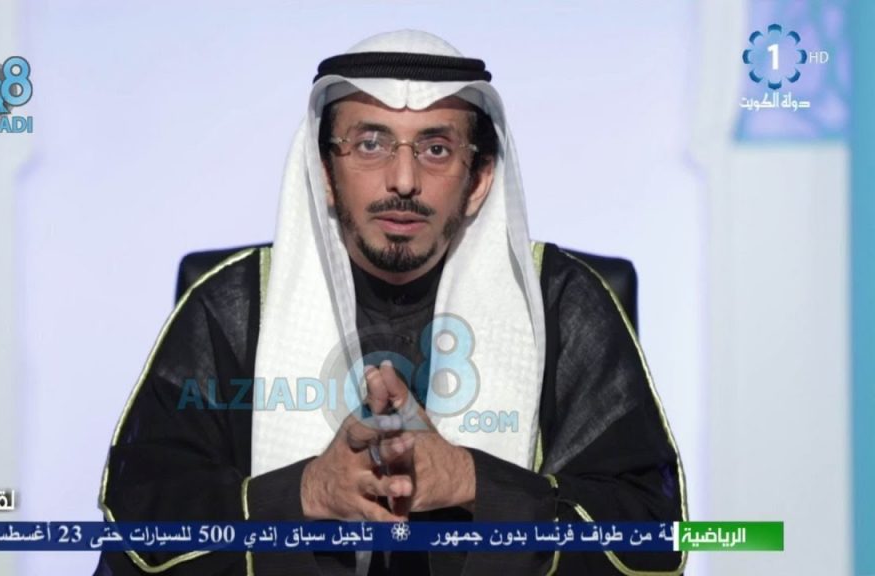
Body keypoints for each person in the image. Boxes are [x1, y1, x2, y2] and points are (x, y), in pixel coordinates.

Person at [94, 30, 686, 576]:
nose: (403, 180)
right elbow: (138, 524)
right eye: (370, 143)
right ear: (325, 173)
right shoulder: (234, 306)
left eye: (436, 148)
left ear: (479, 178)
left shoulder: (560, 304)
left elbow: (654, 537)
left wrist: (473, 481)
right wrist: (304, 493)